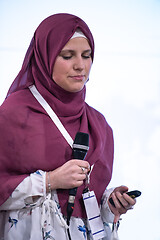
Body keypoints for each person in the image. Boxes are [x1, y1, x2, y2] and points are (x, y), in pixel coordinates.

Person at [0, 13, 136, 240]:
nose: (80, 66)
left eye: (87, 55)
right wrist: (50, 180)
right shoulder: (13, 115)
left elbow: (88, 199)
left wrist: (110, 204)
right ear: (45, 57)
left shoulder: (98, 124)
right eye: (67, 55)